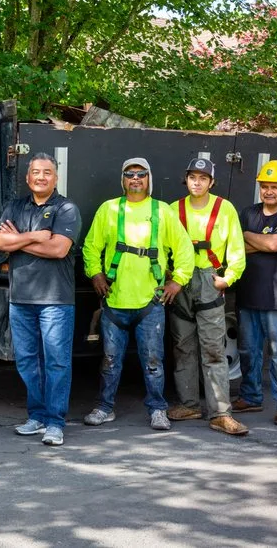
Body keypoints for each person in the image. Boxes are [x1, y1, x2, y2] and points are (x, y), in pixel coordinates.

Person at [82, 157, 195, 431]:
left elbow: (183, 249)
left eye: (141, 174)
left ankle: (157, 409)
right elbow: (90, 247)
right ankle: (105, 407)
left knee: (153, 361)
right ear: (123, 180)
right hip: (114, 301)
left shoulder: (162, 212)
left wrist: (177, 282)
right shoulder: (108, 210)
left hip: (150, 303)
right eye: (130, 174)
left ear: (149, 179)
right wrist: (95, 274)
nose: (135, 179)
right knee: (109, 361)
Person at [0, 152, 82, 446]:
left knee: (56, 362)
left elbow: (58, 249)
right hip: (21, 299)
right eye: (35, 172)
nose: (41, 177)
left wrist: (17, 241)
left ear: (55, 178)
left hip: (55, 300)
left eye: (47, 172)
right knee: (28, 362)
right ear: (28, 177)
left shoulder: (66, 208)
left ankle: (56, 423)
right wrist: (36, 237)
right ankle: (37, 416)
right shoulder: (15, 206)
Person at [167, 158, 249, 436]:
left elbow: (237, 249)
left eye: (203, 178)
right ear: (186, 179)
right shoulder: (172, 210)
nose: (197, 182)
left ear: (211, 182)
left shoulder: (224, 209)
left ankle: (220, 413)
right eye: (193, 177)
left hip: (209, 279)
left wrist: (228, 278)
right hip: (180, 279)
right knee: (182, 346)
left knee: (213, 349)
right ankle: (189, 404)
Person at [233, 159, 277, 427]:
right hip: (249, 293)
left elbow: (275, 244)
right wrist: (260, 241)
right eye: (265, 186)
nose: (269, 191)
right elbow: (236, 246)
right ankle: (250, 397)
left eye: (275, 186)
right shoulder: (248, 213)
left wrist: (253, 238)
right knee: (248, 351)